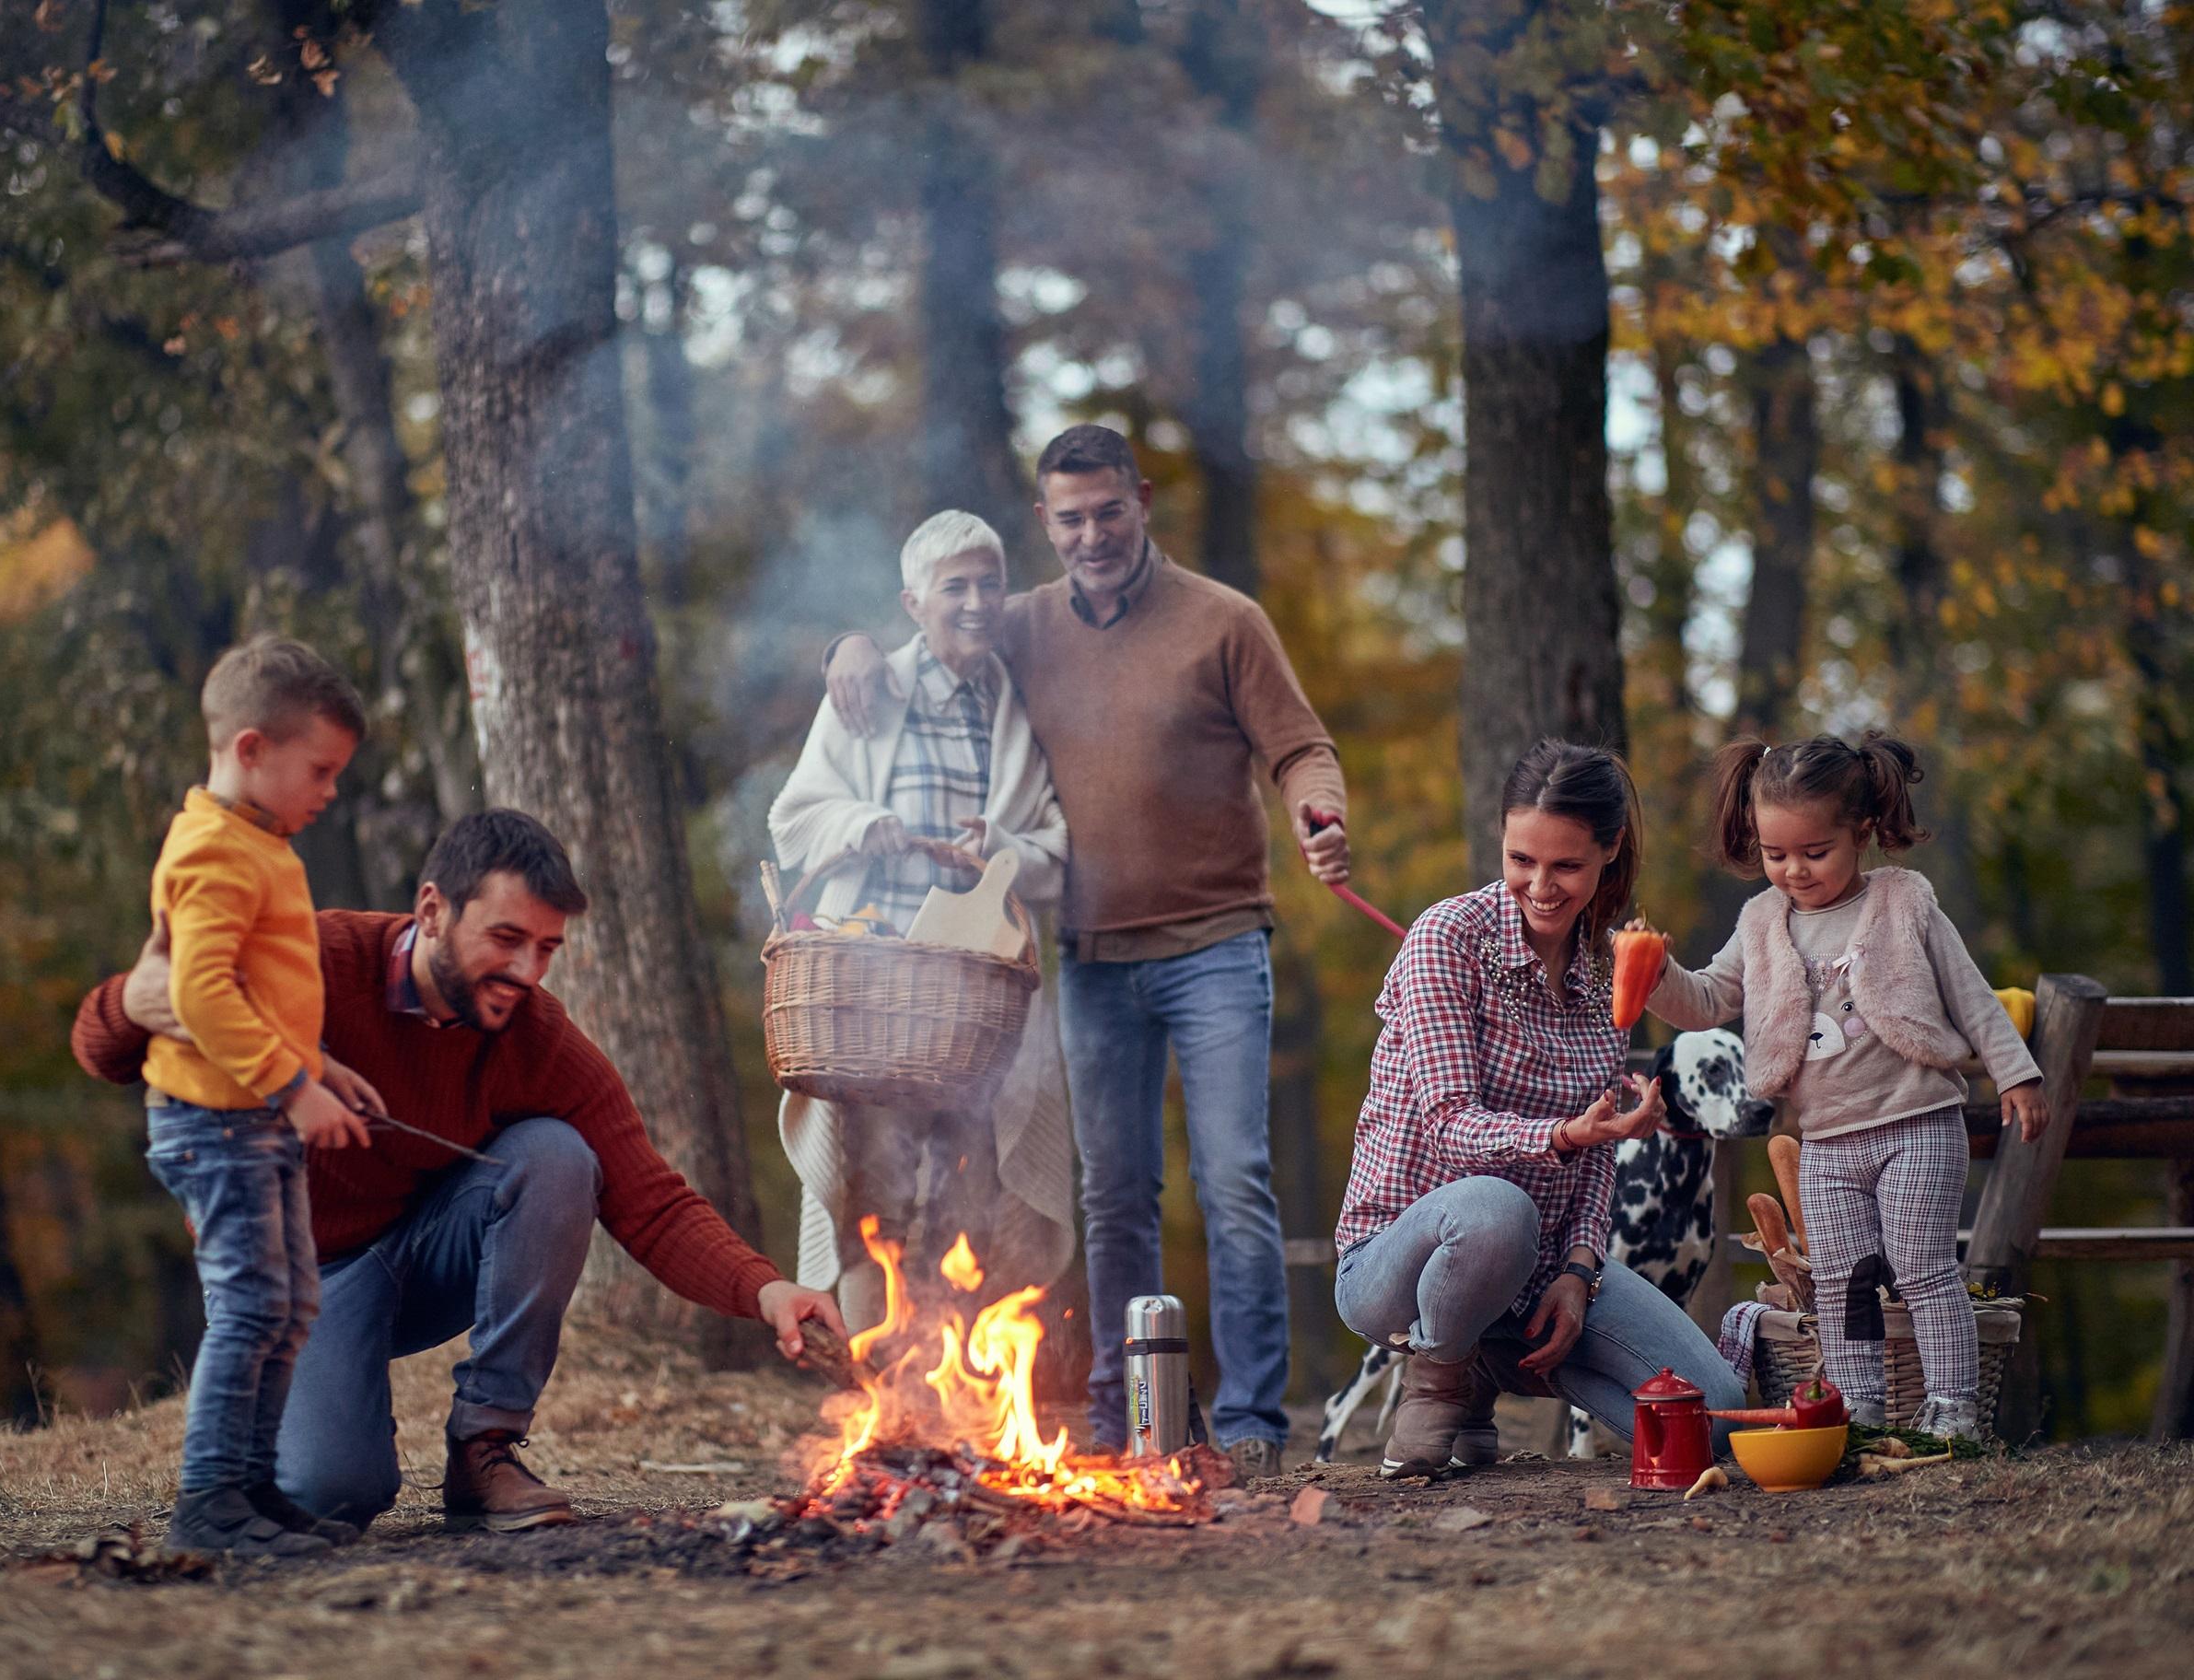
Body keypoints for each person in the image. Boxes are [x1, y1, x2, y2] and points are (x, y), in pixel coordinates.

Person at [76, 809, 846, 1533]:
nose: (528, 971)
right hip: (288, 1277)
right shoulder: (311, 962)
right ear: (434, 910)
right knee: (333, 1493)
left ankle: (484, 1450)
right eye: (507, 938)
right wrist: (134, 1001)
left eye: (547, 948)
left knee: (555, 1155)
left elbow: (648, 1197)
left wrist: (764, 1288)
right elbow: (102, 1048)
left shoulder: (534, 1037)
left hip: (419, 1259)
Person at [825, 426, 1349, 1476]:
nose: (1093, 534)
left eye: (1110, 510)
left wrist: (1319, 811)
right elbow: (928, 635)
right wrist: (843, 651)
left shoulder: (1223, 622)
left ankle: (1250, 1427)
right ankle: (1122, 1418)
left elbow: (1298, 745)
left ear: (1141, 501)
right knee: (1114, 1192)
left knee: (1236, 1181)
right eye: (1070, 518)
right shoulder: (1018, 623)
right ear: (1045, 523)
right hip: (1093, 961)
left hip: (1215, 945)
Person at [1334, 740, 1746, 1477]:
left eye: (1566, 866)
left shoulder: (1606, 972)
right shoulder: (1447, 940)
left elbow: (1597, 1159)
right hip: (1398, 1263)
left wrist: (1581, 1273)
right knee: (1497, 1209)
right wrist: (1561, 1132)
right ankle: (1440, 1374)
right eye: (1521, 860)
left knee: (1708, 1416)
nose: (1540, 886)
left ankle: (1502, 1362)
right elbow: (1451, 1127)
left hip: (1542, 1272)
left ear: (1610, 852)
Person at [1645, 734, 2046, 1441]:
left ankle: (1953, 1408)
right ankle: (1853, 1409)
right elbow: (1706, 999)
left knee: (1922, 1269)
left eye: (1813, 852)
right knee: (1842, 1282)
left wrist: (2015, 1073)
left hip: (1917, 1122)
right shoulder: (1762, 922)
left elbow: (1971, 994)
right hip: (1826, 1140)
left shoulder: (1903, 902)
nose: (1793, 871)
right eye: (1775, 855)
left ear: (1860, 834)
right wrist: (1656, 973)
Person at [770, 510, 1074, 1330]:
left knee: (972, 1193)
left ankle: (954, 1408)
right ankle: (879, 1407)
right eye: (955, 588)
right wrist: (866, 823)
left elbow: (1053, 849)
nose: (976, 602)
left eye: (989, 584)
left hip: (976, 1003)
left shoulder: (1014, 704)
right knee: (876, 1200)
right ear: (913, 603)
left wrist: (1000, 846)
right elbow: (793, 819)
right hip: (874, 993)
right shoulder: (870, 691)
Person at [139, 635, 377, 1558]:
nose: (328, 792)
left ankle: (253, 1489)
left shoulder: (261, 842)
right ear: (250, 749)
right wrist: (293, 1089)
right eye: (318, 770)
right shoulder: (212, 850)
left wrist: (317, 1066)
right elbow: (200, 994)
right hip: (214, 1123)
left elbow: (254, 987)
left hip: (256, 1115)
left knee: (289, 1304)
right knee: (249, 1307)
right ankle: (208, 1506)